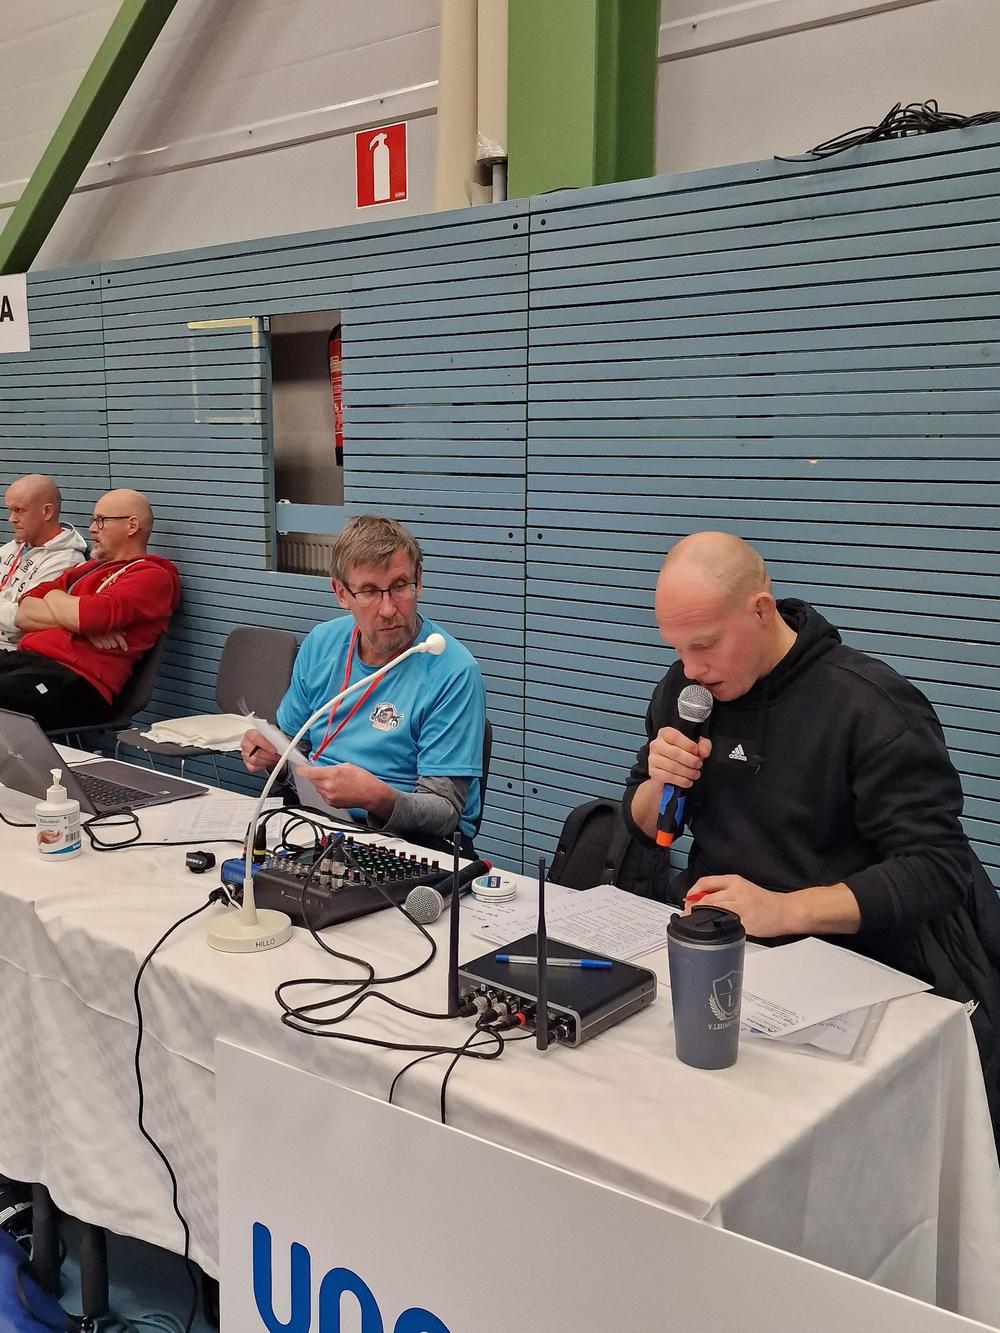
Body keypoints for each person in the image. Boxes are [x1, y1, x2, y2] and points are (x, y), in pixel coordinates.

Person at [624, 530, 1000, 1131]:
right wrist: (658, 783)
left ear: (761, 610)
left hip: (857, 973)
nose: (691, 668)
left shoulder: (869, 706)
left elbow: (937, 869)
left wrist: (783, 910)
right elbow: (647, 826)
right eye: (677, 649)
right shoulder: (686, 691)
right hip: (722, 963)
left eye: (706, 645)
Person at [241, 514, 486, 845]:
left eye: (400, 586)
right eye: (369, 591)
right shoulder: (322, 643)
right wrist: (276, 760)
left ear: (419, 579)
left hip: (408, 839)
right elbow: (295, 750)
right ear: (341, 593)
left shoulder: (453, 670)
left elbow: (445, 811)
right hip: (316, 823)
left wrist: (377, 799)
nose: (388, 609)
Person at [0, 489, 180, 731]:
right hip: (28, 661)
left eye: (101, 520)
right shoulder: (86, 569)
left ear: (132, 526)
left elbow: (90, 617)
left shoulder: (152, 575)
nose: (93, 529)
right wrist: (73, 617)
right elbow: (25, 612)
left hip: (76, 680)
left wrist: (55, 596)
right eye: (94, 520)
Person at [0, 474, 87, 650]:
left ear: (47, 512)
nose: (11, 518)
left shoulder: (66, 560)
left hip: (12, 651)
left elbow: (23, 619)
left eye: (19, 510)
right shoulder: (15, 546)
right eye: (10, 510)